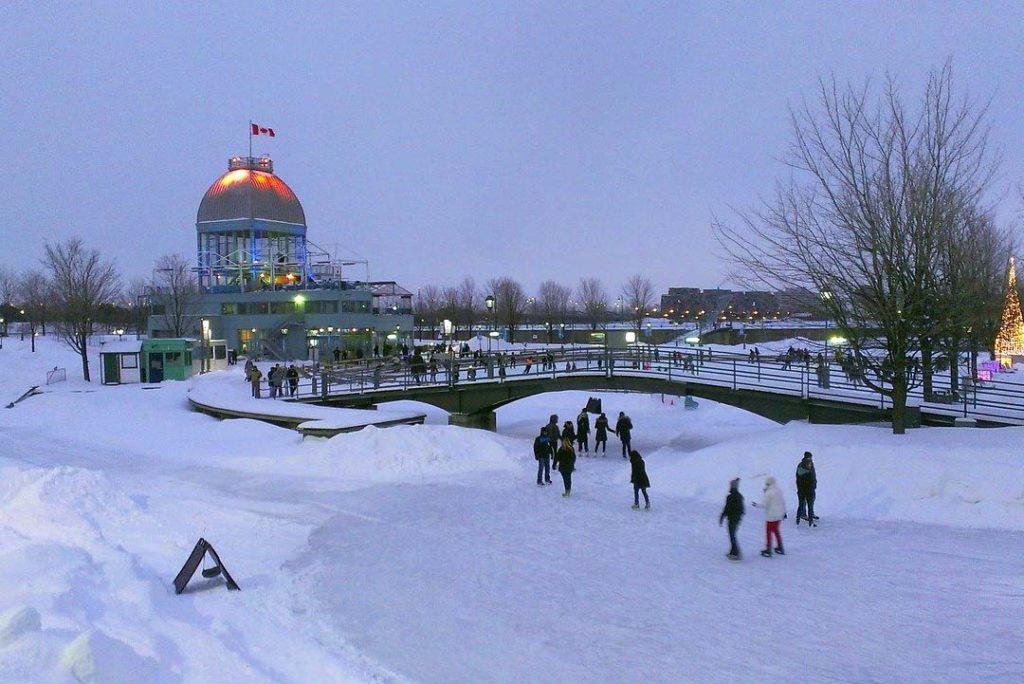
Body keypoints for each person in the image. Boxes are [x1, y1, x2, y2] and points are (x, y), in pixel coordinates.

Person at [753, 476, 787, 557]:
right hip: (779, 515)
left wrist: (756, 504)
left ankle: (768, 549)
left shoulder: (769, 493)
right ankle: (780, 547)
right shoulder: (778, 491)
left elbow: (764, 504)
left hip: (771, 516)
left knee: (768, 532)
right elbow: (783, 502)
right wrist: (784, 512)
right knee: (776, 530)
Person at [719, 478, 745, 560]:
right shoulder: (740, 496)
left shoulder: (730, 497)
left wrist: (722, 517)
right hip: (736, 518)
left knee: (732, 535)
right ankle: (733, 551)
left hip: (732, 518)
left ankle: (736, 553)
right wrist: (739, 517)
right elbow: (742, 509)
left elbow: (727, 508)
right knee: (732, 535)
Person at [795, 451, 818, 526]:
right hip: (804, 488)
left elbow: (813, 475)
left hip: (810, 488)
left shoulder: (811, 464)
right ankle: (803, 515)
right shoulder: (801, 465)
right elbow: (800, 478)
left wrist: (814, 483)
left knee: (811, 501)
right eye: (809, 457)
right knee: (803, 503)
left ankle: (810, 514)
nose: (810, 458)